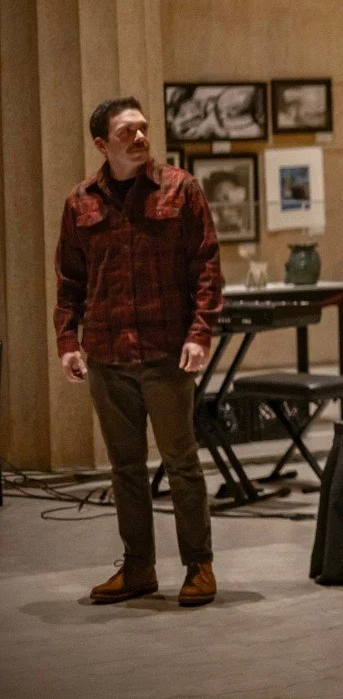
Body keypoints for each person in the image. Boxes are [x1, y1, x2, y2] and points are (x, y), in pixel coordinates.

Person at [54, 97, 223, 606]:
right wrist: (67, 341)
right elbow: (69, 281)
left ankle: (199, 566)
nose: (141, 137)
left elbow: (207, 266)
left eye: (144, 128)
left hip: (165, 350)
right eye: (127, 132)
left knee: (181, 461)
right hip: (106, 352)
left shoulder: (181, 188)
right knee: (125, 466)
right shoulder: (80, 201)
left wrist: (200, 333)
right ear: (103, 144)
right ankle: (138, 568)